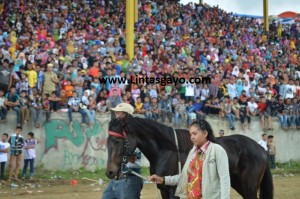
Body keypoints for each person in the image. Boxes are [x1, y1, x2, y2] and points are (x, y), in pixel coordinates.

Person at [149, 119, 231, 199]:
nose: (192, 137)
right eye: (191, 134)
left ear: (205, 133)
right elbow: (184, 177)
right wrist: (163, 179)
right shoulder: (193, 152)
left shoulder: (217, 150)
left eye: (194, 134)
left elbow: (225, 180)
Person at [102, 103, 143, 199]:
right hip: (115, 179)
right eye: (115, 112)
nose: (116, 114)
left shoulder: (134, 133)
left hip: (129, 179)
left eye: (118, 112)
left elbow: (134, 158)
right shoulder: (118, 133)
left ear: (126, 114)